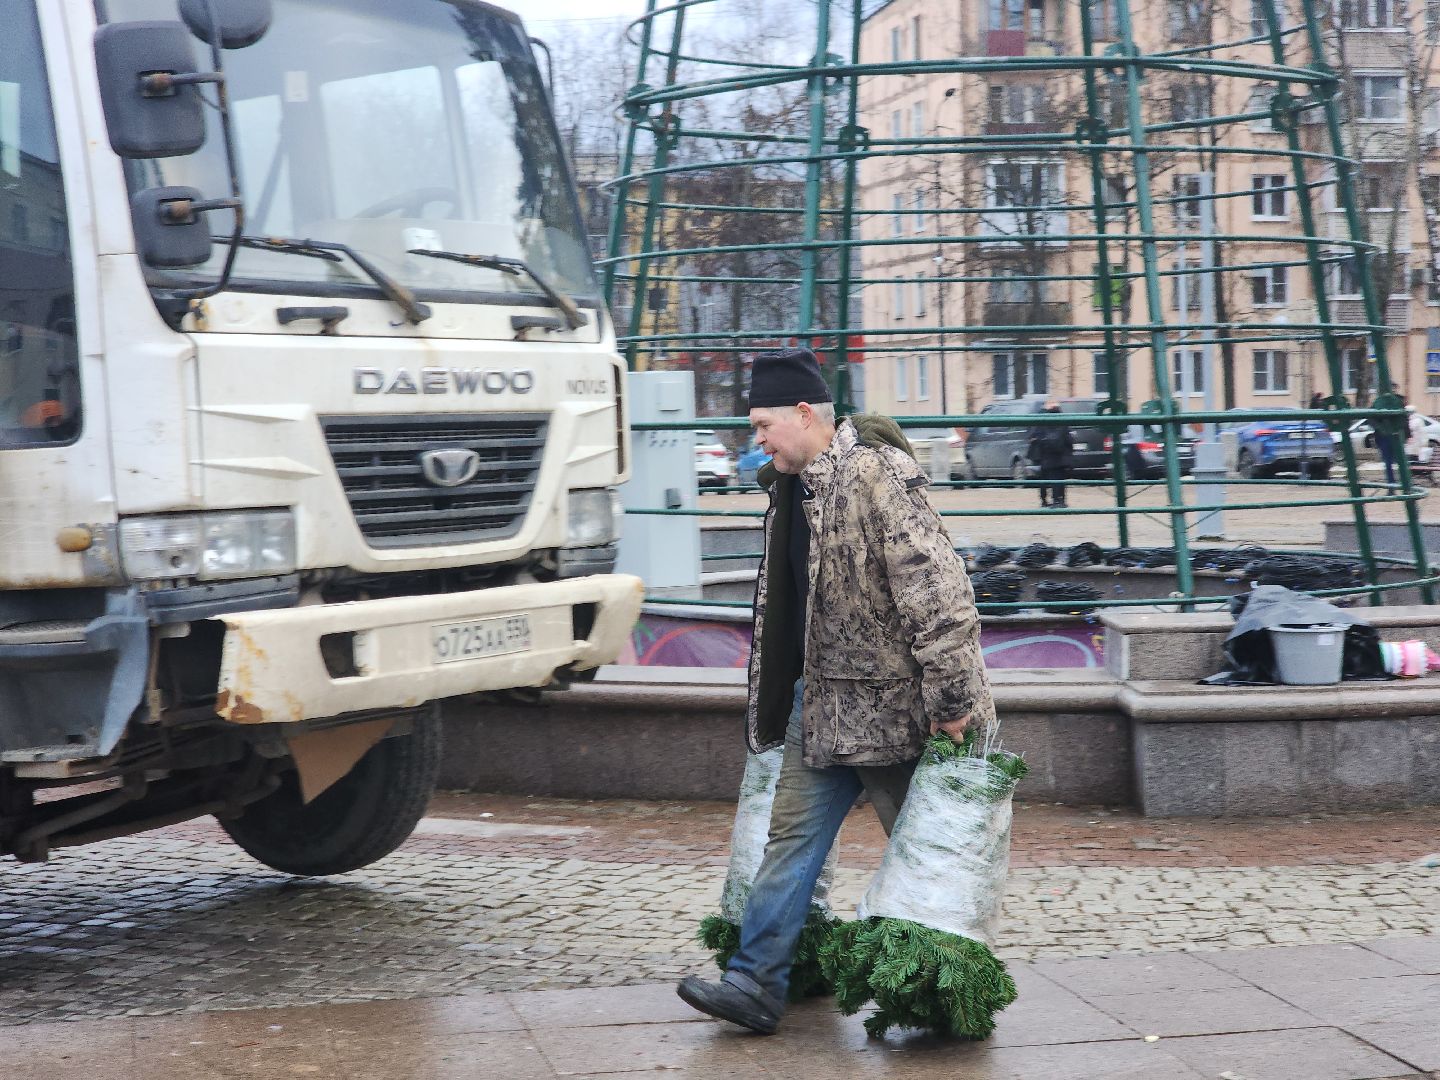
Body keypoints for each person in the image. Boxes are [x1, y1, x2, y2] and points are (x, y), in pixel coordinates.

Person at [675, 347, 996, 1035]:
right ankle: (755, 984)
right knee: (787, 842)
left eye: (763, 424)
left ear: (803, 413)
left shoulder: (875, 475)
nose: (754, 438)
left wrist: (953, 706)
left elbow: (938, 595)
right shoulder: (789, 488)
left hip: (900, 716)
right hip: (819, 711)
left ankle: (944, 1003)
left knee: (927, 862)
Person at [1026, 402, 1074, 508]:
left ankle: (1044, 500)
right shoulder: (1063, 424)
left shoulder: (1042, 422)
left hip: (1045, 456)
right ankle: (1059, 500)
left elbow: (1033, 437)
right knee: (1058, 479)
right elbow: (1069, 440)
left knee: (1044, 479)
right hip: (1060, 457)